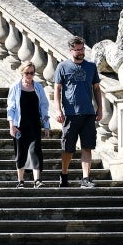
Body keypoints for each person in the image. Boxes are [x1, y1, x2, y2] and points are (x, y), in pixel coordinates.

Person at [51, 36, 103, 188]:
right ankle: (64, 174)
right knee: (68, 148)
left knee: (87, 146)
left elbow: (97, 88)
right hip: (71, 113)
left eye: (82, 49)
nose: (81, 52)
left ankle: (86, 178)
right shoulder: (63, 67)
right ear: (71, 50)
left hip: (88, 113)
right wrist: (58, 109)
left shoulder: (91, 66)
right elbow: (57, 89)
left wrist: (100, 108)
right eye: (78, 49)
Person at [6, 61, 51, 187]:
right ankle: (20, 180)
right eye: (27, 73)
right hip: (19, 124)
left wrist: (46, 125)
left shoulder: (38, 87)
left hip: (34, 123)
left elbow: (44, 106)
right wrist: (11, 125)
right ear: (22, 72)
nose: (29, 75)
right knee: (21, 151)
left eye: (32, 73)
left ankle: (37, 180)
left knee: (35, 150)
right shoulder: (15, 87)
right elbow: (11, 108)